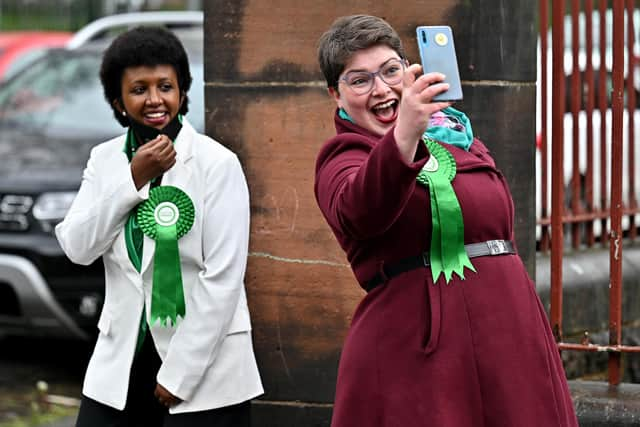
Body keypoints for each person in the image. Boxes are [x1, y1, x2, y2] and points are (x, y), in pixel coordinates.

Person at [315, 15, 578, 427]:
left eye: (390, 71)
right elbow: (358, 212)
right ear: (336, 94)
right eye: (360, 80)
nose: (382, 89)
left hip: (509, 335)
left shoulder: (456, 135)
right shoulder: (342, 157)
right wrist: (403, 136)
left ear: (409, 71)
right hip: (422, 355)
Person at [55, 26, 263, 427]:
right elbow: (78, 247)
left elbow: (222, 277)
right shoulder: (105, 160)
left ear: (183, 91)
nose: (154, 100)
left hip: (207, 369)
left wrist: (180, 374)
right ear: (118, 100)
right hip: (121, 363)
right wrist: (132, 178)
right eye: (139, 89)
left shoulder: (217, 163)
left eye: (165, 86)